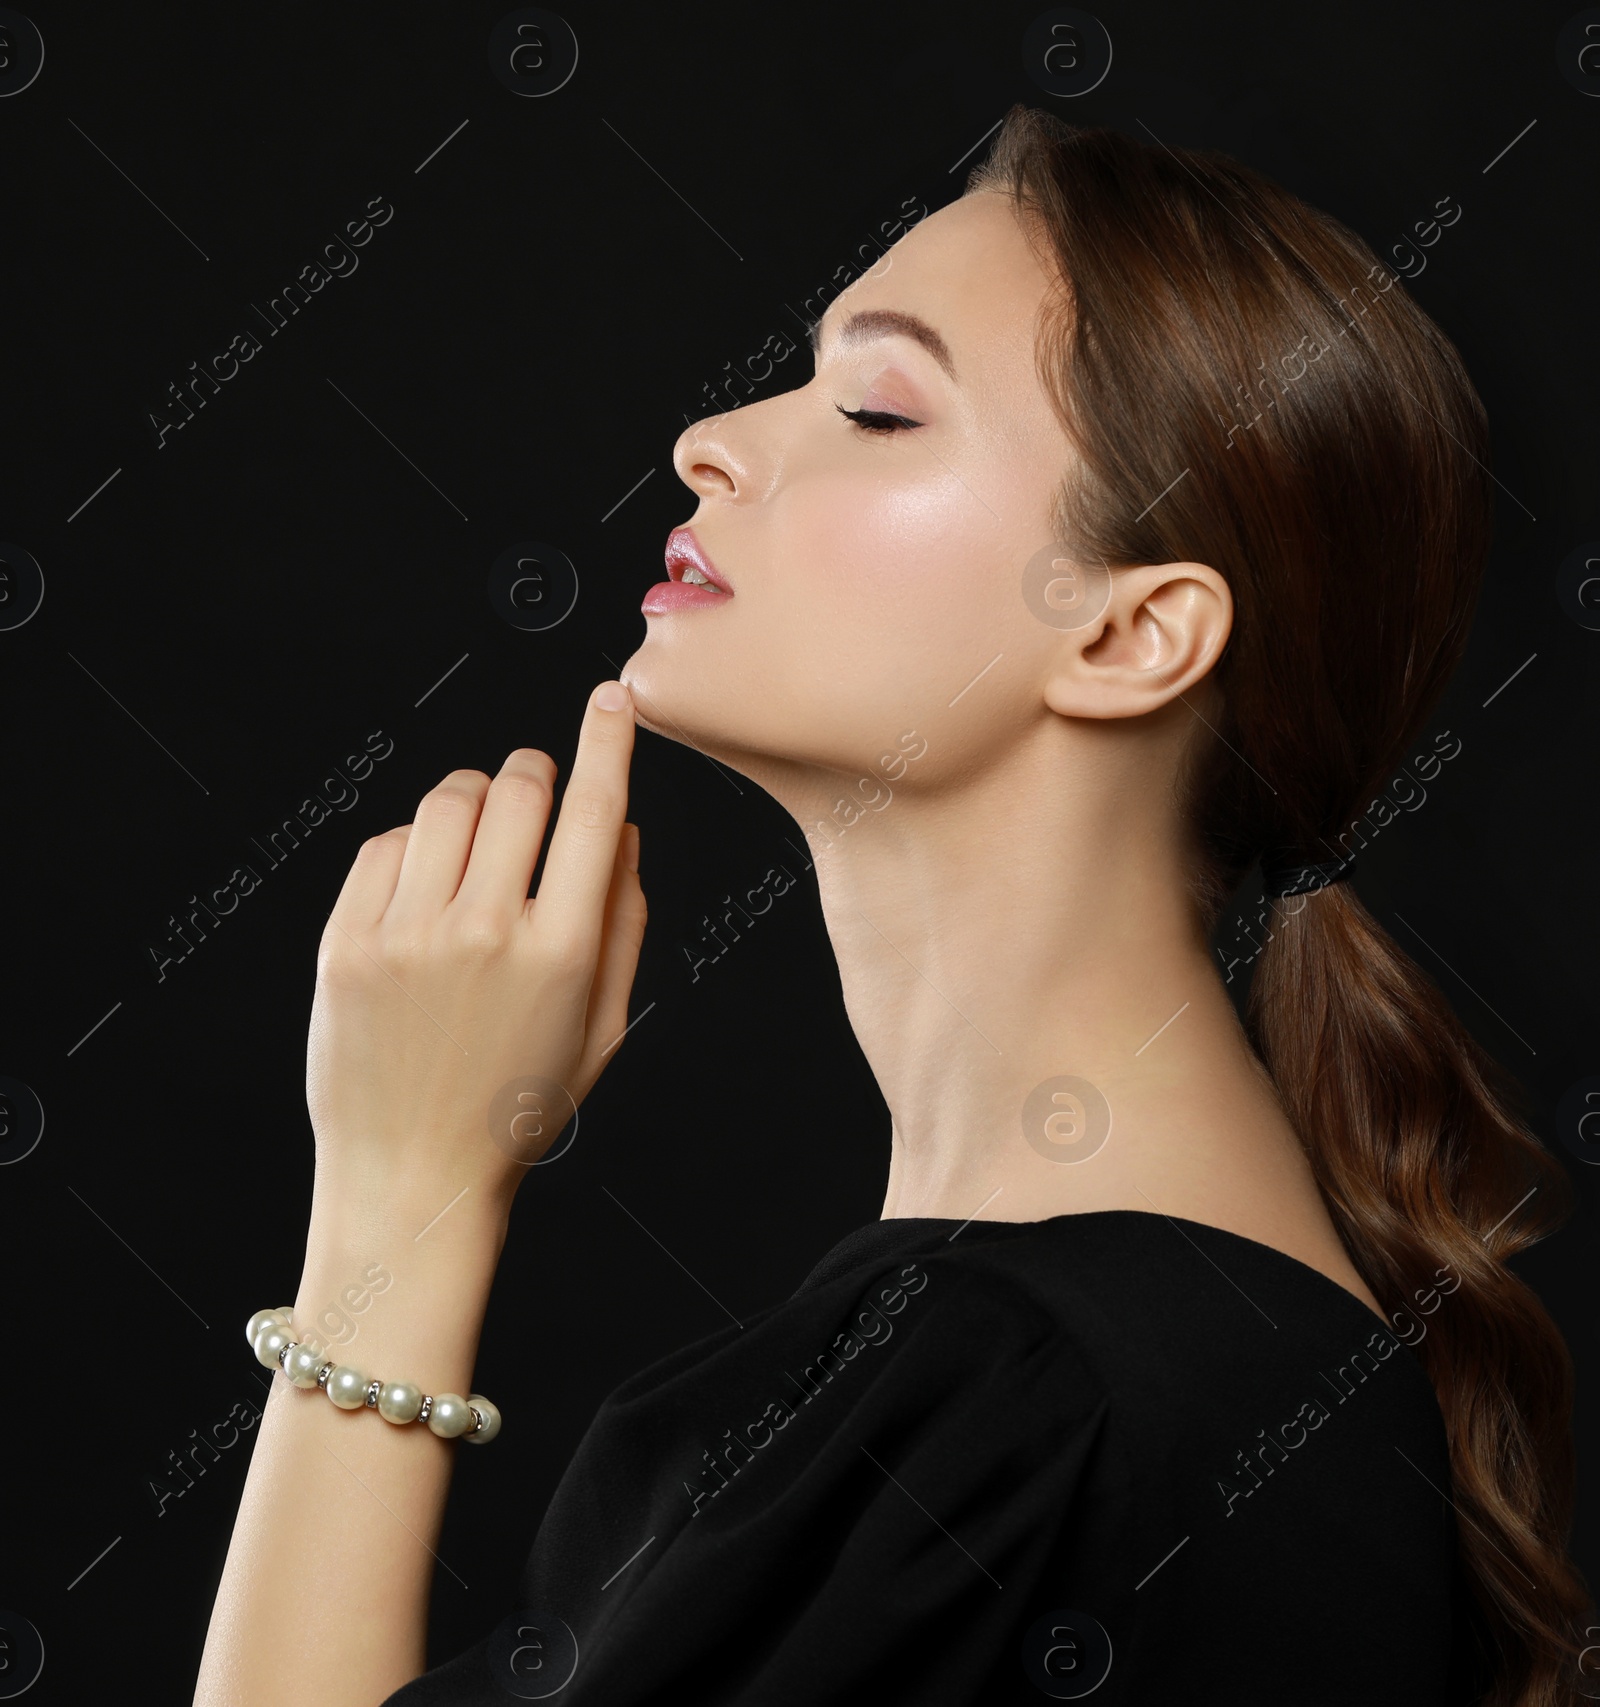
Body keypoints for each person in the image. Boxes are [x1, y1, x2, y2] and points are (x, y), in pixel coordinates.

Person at [193, 107, 1589, 1706]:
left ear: (1133, 638)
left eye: (875, 406)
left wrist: (397, 1197)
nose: (713, 437)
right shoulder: (1145, 1361)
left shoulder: (1019, 1402)